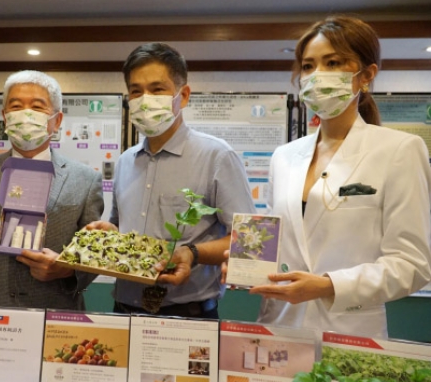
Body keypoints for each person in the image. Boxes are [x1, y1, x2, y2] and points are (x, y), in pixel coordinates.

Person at [178, 16, 431, 338]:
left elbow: (411, 265)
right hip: (279, 324)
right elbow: (279, 243)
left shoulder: (399, 150)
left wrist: (327, 285)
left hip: (349, 330)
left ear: (366, 75)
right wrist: (247, 265)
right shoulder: (285, 156)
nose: (317, 74)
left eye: (333, 62)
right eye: (309, 66)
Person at [88, 43, 256, 318]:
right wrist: (110, 233)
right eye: (136, 91)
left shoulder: (217, 156)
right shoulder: (126, 161)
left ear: (183, 95)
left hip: (188, 315)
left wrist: (193, 252)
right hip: (123, 310)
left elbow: (249, 241)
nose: (145, 99)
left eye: (157, 89)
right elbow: (121, 227)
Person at [0, 70, 104, 309]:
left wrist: (67, 269)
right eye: (16, 106)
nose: (25, 114)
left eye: (37, 107)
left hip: (56, 308)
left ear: (57, 120)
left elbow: (92, 255)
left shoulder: (86, 179)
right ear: (5, 117)